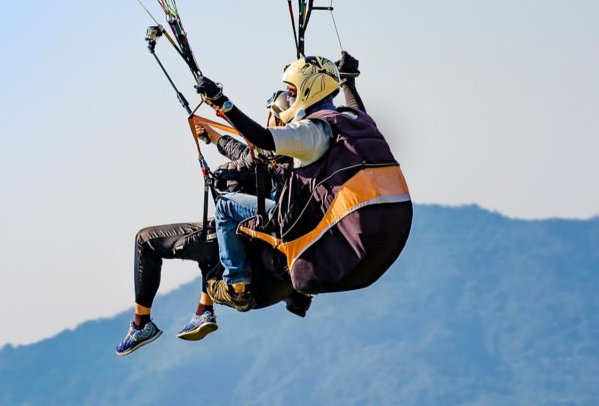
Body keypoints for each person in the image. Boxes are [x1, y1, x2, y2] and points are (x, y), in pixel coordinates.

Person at [195, 53, 412, 305]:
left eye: (291, 91)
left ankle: (236, 286)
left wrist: (221, 102)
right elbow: (355, 106)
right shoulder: (355, 121)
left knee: (225, 206)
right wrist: (348, 82)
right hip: (385, 237)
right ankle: (296, 297)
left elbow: (263, 139)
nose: (288, 98)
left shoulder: (310, 131)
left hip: (305, 225)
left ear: (307, 90)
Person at [115, 93, 299, 356]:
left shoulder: (271, 152)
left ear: (278, 119)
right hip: (273, 263)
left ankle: (141, 324)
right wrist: (213, 136)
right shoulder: (298, 153)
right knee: (211, 239)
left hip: (248, 248)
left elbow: (247, 157)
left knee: (146, 240)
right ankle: (204, 310)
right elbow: (246, 153)